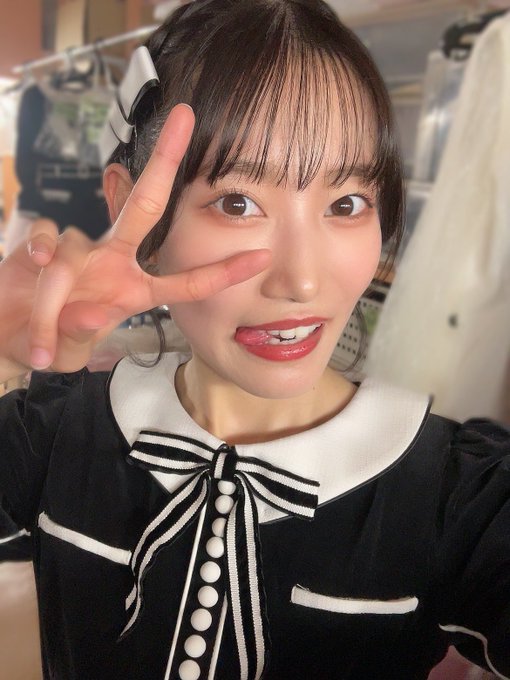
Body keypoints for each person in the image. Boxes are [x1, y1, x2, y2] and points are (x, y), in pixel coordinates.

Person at [0, 1, 508, 679]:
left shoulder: (457, 495)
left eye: (346, 204)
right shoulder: (55, 433)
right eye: (237, 203)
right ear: (128, 206)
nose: (302, 281)